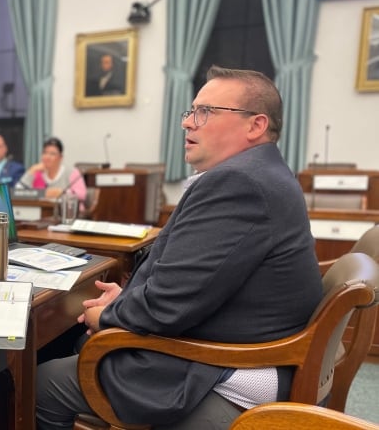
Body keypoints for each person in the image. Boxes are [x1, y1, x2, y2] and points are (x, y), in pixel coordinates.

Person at [36, 66, 323, 429]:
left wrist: (107, 315)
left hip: (234, 370)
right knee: (75, 345)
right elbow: (193, 282)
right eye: (190, 111)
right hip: (239, 344)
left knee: (41, 381)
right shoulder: (261, 172)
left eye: (206, 112)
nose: (188, 123)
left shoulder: (240, 183)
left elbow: (167, 305)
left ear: (256, 126)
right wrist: (125, 299)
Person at [17, 137, 87, 202]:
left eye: (52, 154)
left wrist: (62, 192)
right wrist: (31, 171)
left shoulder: (71, 172)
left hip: (67, 213)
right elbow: (17, 192)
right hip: (42, 212)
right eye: (45, 153)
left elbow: (82, 194)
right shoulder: (37, 173)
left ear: (60, 157)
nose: (47, 157)